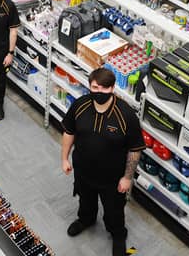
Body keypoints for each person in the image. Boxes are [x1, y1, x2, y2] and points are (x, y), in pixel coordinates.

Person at [61, 68, 145, 256]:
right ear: (90, 86)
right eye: (95, 87)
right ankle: (85, 220)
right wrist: (64, 158)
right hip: (83, 171)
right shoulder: (80, 105)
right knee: (85, 201)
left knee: (114, 212)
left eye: (105, 88)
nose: (99, 92)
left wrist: (127, 177)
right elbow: (69, 132)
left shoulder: (125, 115)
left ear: (113, 88)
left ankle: (117, 235)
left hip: (112, 179)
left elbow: (135, 149)